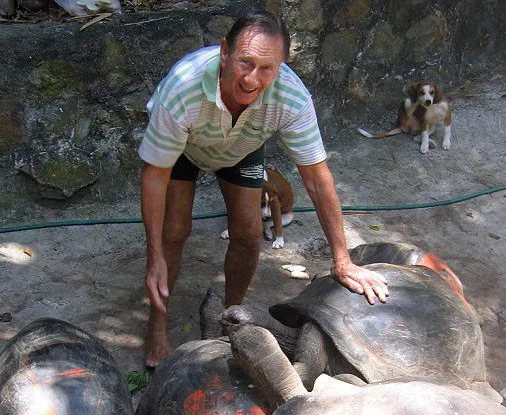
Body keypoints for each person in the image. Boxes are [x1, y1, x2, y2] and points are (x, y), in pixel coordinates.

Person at [138, 9, 389, 368]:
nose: (253, 79)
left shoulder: (291, 97)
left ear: (281, 66)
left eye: (267, 68)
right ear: (225, 52)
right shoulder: (184, 88)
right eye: (245, 62)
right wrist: (154, 256)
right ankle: (157, 325)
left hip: (241, 144)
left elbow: (317, 178)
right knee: (174, 231)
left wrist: (343, 260)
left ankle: (229, 320)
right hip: (184, 147)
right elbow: (154, 174)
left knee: (249, 232)